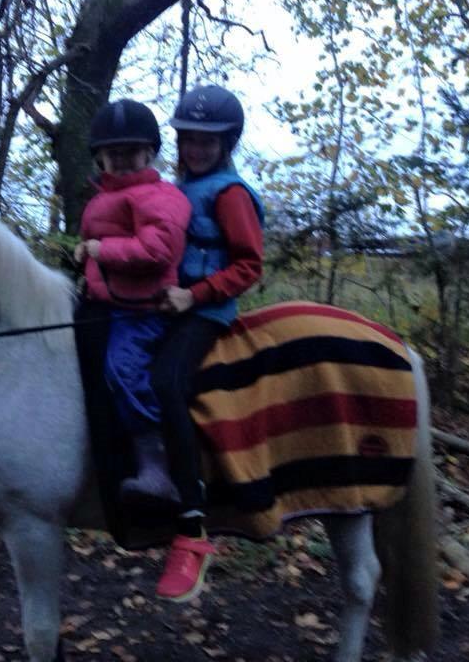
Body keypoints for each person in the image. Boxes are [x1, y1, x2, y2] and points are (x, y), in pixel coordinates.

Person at [152, 84, 265, 603]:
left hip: (205, 311)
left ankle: (193, 524)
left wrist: (194, 296)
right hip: (164, 302)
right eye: (188, 138)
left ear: (227, 143)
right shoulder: (177, 187)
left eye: (206, 140)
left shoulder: (231, 194)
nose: (195, 148)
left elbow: (248, 266)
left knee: (167, 382)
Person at [74, 98, 193, 512]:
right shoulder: (101, 198)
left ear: (149, 154)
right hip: (109, 303)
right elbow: (101, 248)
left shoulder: (160, 196)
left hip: (143, 310)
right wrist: (86, 257)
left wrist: (98, 249)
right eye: (113, 154)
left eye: (131, 152)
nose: (121, 161)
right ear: (100, 159)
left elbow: (158, 250)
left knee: (123, 369)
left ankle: (156, 468)